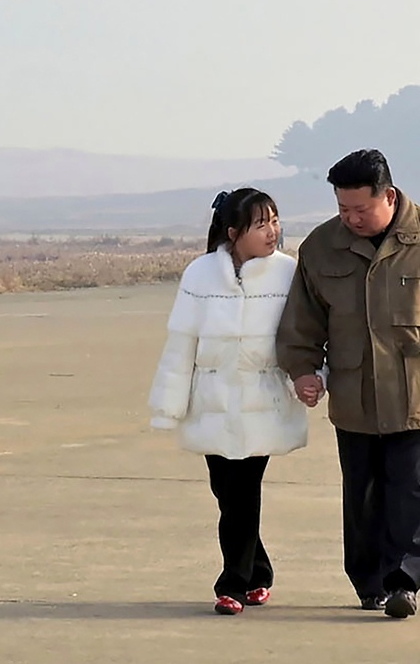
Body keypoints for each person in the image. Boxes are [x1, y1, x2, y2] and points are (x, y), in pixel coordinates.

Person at [279, 150, 420, 620]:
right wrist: (303, 369)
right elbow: (302, 320)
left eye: (361, 209)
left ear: (388, 196)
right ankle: (369, 583)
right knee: (363, 494)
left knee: (413, 488)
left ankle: (404, 581)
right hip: (355, 393)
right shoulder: (320, 247)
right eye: (342, 209)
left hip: (418, 390)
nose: (351, 219)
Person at [149, 188, 307, 616]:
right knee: (226, 492)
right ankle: (259, 572)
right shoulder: (200, 275)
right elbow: (181, 344)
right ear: (234, 233)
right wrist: (168, 406)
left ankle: (232, 584)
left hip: (261, 401)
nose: (272, 231)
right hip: (212, 402)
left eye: (275, 221)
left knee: (242, 492)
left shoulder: (288, 273)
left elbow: (303, 336)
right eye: (261, 224)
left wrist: (309, 378)